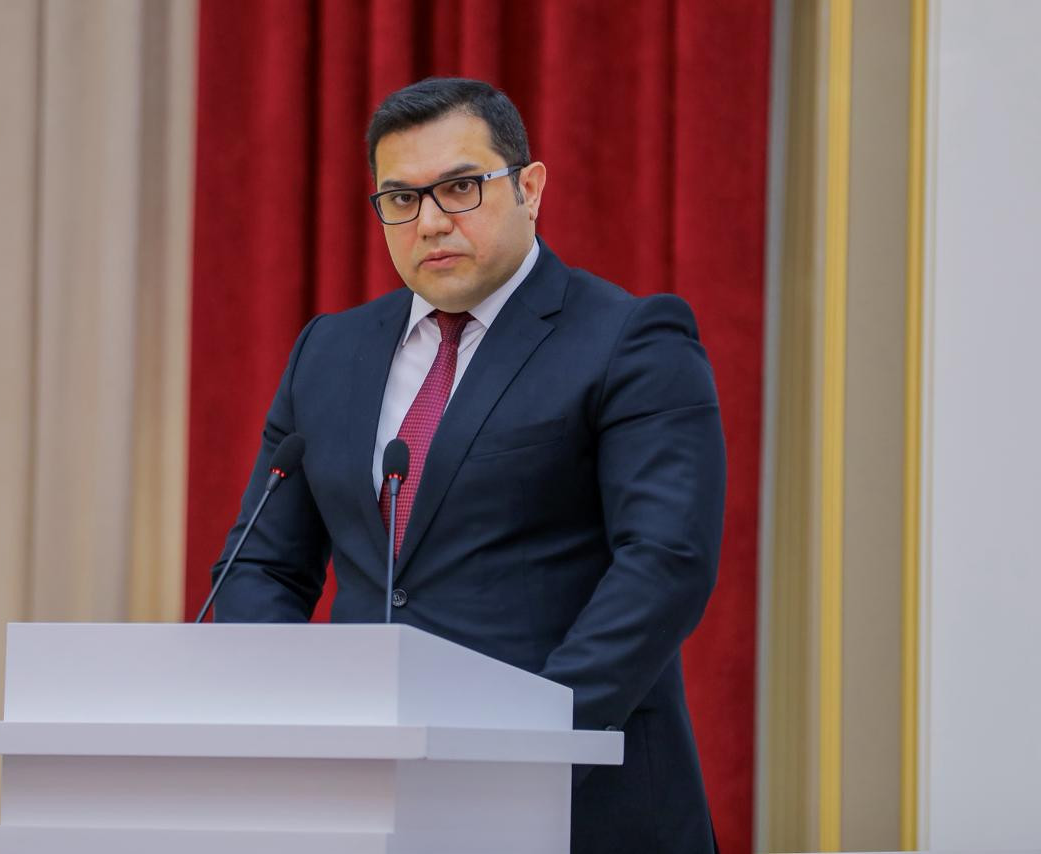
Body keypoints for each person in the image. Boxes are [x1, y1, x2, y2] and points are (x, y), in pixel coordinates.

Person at [211, 77, 726, 854]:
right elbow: (260, 566)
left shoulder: (629, 339)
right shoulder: (328, 352)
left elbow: (665, 564)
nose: (430, 222)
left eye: (460, 188)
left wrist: (529, 747)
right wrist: (303, 723)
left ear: (530, 188)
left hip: (576, 802)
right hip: (363, 805)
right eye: (401, 198)